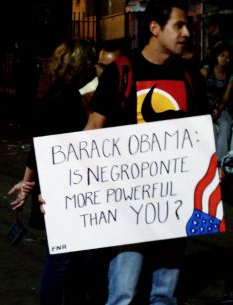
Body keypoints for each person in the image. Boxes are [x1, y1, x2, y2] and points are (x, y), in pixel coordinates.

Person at [83, 0, 209, 304]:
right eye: (179, 25)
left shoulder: (190, 76)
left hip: (173, 201)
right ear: (155, 28)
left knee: (165, 295)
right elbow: (93, 129)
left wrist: (210, 171)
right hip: (129, 204)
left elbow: (201, 135)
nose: (186, 33)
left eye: (187, 26)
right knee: (123, 293)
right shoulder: (121, 72)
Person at [7, 37, 98, 305]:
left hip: (57, 188)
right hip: (72, 190)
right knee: (68, 262)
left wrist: (26, 185)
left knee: (64, 259)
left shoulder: (53, 95)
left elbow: (37, 146)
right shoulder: (72, 100)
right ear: (82, 64)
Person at [200, 42, 233, 162]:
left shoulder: (230, 74)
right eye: (222, 55)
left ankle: (221, 162)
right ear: (217, 56)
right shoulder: (207, 69)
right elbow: (199, 91)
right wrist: (212, 107)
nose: (225, 59)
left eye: (228, 57)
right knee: (211, 127)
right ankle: (208, 161)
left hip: (220, 107)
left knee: (226, 123)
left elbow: (225, 98)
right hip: (204, 105)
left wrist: (218, 109)